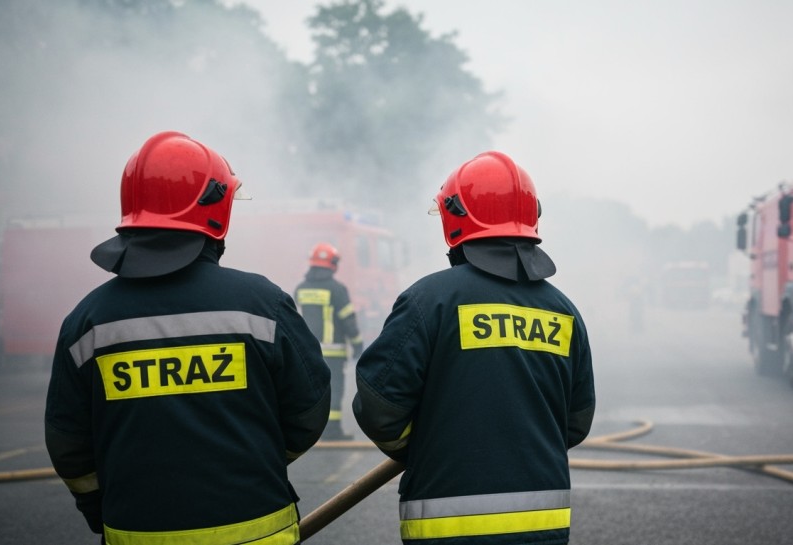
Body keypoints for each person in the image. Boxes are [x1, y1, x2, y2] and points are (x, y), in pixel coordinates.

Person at [44, 131, 331, 544]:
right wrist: (259, 458)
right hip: (257, 529)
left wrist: (99, 504)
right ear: (216, 210)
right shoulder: (261, 304)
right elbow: (309, 409)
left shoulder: (87, 321)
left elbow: (67, 443)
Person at [352, 151, 596, 544]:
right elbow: (576, 421)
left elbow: (379, 408)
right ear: (531, 217)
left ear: (454, 219)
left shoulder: (428, 301)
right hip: (542, 527)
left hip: (446, 526)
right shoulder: (564, 311)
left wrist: (424, 446)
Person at [294, 242, 364, 440]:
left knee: (310, 389)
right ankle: (332, 431)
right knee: (334, 389)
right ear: (333, 263)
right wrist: (358, 344)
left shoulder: (300, 289)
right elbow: (348, 320)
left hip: (307, 352)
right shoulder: (337, 289)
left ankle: (310, 431)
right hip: (333, 352)